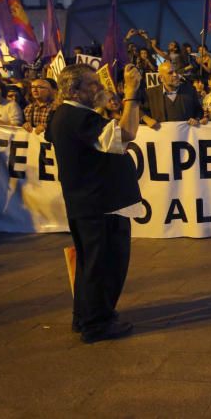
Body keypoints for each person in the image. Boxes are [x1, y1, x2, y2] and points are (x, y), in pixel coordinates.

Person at [45, 63, 143, 343]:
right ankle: (97, 323)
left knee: (91, 264)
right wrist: (132, 94)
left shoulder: (67, 115)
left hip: (89, 203)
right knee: (104, 264)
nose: (100, 87)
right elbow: (126, 134)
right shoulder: (77, 118)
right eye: (92, 84)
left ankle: (86, 316)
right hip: (100, 204)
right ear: (74, 90)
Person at [142, 61, 205, 129]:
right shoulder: (150, 93)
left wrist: (196, 119)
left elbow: (199, 110)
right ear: (161, 78)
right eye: (170, 73)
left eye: (176, 71)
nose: (175, 74)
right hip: (161, 137)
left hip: (185, 137)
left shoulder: (190, 90)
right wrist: (146, 119)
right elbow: (139, 111)